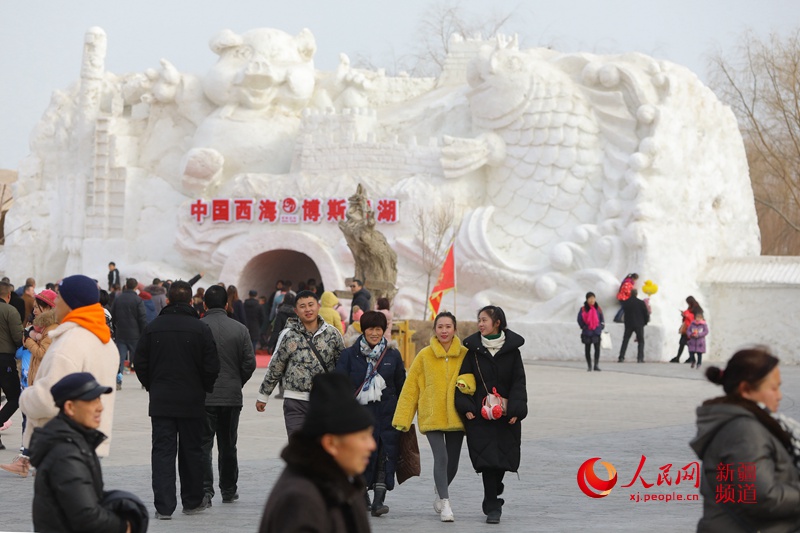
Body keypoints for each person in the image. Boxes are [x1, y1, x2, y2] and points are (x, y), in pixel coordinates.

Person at [14, 275, 118, 478]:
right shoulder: (103, 339)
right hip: (90, 439)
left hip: (63, 444)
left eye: (60, 297)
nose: (56, 304)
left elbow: (49, 399)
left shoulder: (71, 341)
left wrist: (26, 397)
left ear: (72, 303)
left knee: (61, 506)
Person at [133, 280, 220, 519]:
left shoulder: (154, 327)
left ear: (168, 300)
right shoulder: (200, 328)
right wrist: (203, 387)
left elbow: (140, 362)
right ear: (191, 301)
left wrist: (152, 385)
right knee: (192, 451)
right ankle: (192, 502)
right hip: (192, 400)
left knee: (162, 452)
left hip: (161, 400)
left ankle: (164, 506)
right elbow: (212, 365)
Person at [690, 348, 800, 532]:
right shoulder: (743, 431)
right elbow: (762, 497)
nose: (779, 395)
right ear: (746, 389)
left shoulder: (753, 423)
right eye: (773, 388)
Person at [258, 372, 374, 533]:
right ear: (330, 443)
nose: (372, 446)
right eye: (363, 438)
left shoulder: (345, 484)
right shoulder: (300, 500)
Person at [30, 372, 136, 533]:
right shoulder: (66, 454)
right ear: (70, 407)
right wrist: (125, 526)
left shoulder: (75, 440)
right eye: (92, 401)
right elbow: (87, 518)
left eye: (99, 399)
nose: (100, 407)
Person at [454, 305, 527, 525]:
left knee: (503, 458)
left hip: (505, 415)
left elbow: (519, 383)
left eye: (484, 320)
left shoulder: (513, 351)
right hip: (480, 415)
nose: (480, 324)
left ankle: (495, 488)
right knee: (487, 460)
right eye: (479, 320)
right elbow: (463, 381)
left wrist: (516, 410)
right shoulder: (473, 351)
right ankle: (492, 503)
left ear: (497, 323)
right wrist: (466, 406)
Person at [393, 311, 467, 522]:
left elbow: (472, 381)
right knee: (441, 457)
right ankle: (445, 502)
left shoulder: (464, 354)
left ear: (455, 329)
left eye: (448, 326)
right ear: (435, 329)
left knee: (452, 463)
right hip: (431, 415)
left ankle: (439, 487)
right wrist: (402, 419)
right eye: (440, 326)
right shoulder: (424, 355)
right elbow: (410, 389)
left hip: (456, 416)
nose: (444, 330)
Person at [335, 311, 405, 517]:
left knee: (385, 456)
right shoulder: (349, 355)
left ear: (384, 330)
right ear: (363, 330)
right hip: (360, 418)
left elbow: (401, 386)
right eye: (370, 329)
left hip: (387, 415)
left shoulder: (392, 355)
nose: (374, 333)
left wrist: (404, 414)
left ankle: (379, 502)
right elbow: (339, 385)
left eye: (378, 329)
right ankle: (362, 494)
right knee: (363, 457)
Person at [256, 290, 345, 436]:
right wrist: (263, 395)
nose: (308, 309)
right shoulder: (288, 335)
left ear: (318, 306)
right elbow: (276, 365)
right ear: (296, 311)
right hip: (295, 402)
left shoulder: (332, 334)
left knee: (321, 450)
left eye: (311, 305)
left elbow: (342, 366)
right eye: (303, 306)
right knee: (299, 450)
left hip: (324, 401)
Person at [200, 285, 256, 506]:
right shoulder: (240, 329)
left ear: (204, 304)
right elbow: (249, 363)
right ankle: (229, 489)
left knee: (203, 444)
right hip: (231, 396)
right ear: (226, 304)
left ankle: (205, 490)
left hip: (204, 397)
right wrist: (236, 381)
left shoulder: (198, 327)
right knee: (228, 444)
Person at [110, 278, 147, 390]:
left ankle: (118, 381)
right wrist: (144, 332)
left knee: (120, 360)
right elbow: (142, 318)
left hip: (121, 334)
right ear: (136, 287)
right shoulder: (137, 300)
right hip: (135, 335)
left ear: (126, 286)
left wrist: (117, 329)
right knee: (139, 359)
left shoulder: (118, 299)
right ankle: (144, 381)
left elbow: (113, 316)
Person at [0, 281, 23, 434]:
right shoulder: (10, 310)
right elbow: (17, 337)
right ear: (9, 295)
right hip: (4, 359)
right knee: (15, 397)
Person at [617, 289, 650, 363]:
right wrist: (645, 322)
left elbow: (624, 313)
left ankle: (621, 357)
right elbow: (645, 313)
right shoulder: (641, 303)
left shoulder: (626, 302)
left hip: (629, 324)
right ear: (636, 294)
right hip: (639, 324)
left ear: (630, 294)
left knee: (625, 340)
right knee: (641, 341)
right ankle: (640, 358)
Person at [670, 296, 703, 364]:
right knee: (684, 343)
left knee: (685, 343)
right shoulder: (695, 308)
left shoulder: (696, 309)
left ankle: (687, 358)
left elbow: (696, 319)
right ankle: (685, 358)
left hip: (691, 329)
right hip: (688, 328)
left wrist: (687, 316)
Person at [577, 292, 605, 372]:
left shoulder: (598, 309)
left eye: (593, 298)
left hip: (596, 331)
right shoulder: (583, 309)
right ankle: (589, 365)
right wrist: (583, 326)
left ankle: (596, 365)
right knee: (587, 349)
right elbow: (579, 319)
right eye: (590, 298)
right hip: (587, 332)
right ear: (587, 299)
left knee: (597, 349)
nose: (592, 300)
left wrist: (601, 326)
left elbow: (602, 318)